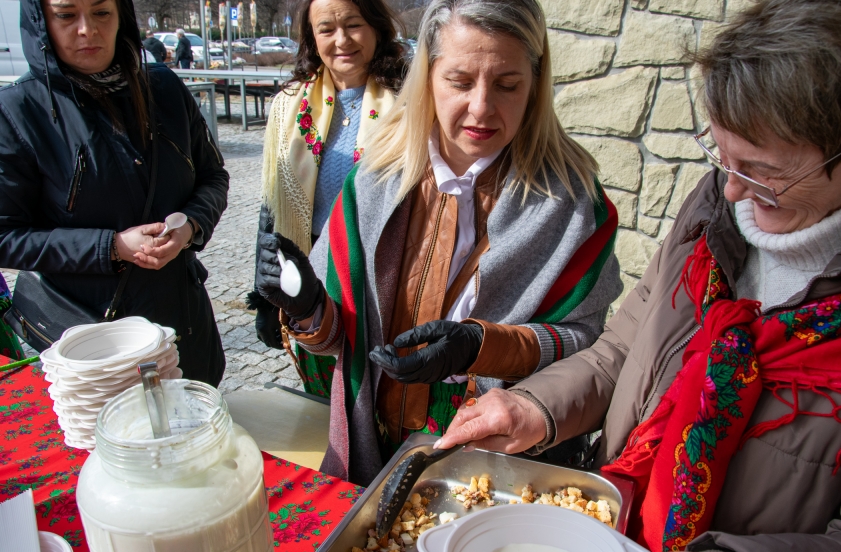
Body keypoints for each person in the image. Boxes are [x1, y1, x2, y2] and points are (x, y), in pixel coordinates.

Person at [435, 0, 841, 552]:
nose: (732, 190)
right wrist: (534, 407)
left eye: (760, 171)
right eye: (722, 156)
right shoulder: (713, 212)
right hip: (615, 545)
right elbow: (623, 351)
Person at [257, 0, 622, 485]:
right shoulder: (374, 182)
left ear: (535, 85)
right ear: (427, 76)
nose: (482, 107)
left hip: (502, 461)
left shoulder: (573, 205)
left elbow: (585, 343)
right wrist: (307, 308)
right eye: (460, 81)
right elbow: (336, 345)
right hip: (378, 450)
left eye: (507, 84)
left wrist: (484, 347)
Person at [0, 0, 228, 385]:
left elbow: (213, 176)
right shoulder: (17, 111)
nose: (87, 29)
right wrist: (112, 247)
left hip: (184, 324)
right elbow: (6, 237)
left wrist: (190, 226)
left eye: (101, 12)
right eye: (66, 15)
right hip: (96, 345)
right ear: (42, 22)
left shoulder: (164, 88)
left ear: (121, 14)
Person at [250, 0, 407, 398]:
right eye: (326, 29)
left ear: (376, 28)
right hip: (310, 278)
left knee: (382, 394)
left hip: (384, 277)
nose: (341, 40)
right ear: (311, 37)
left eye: (353, 25)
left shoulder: (411, 100)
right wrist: (265, 294)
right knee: (323, 393)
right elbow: (273, 204)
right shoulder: (289, 105)